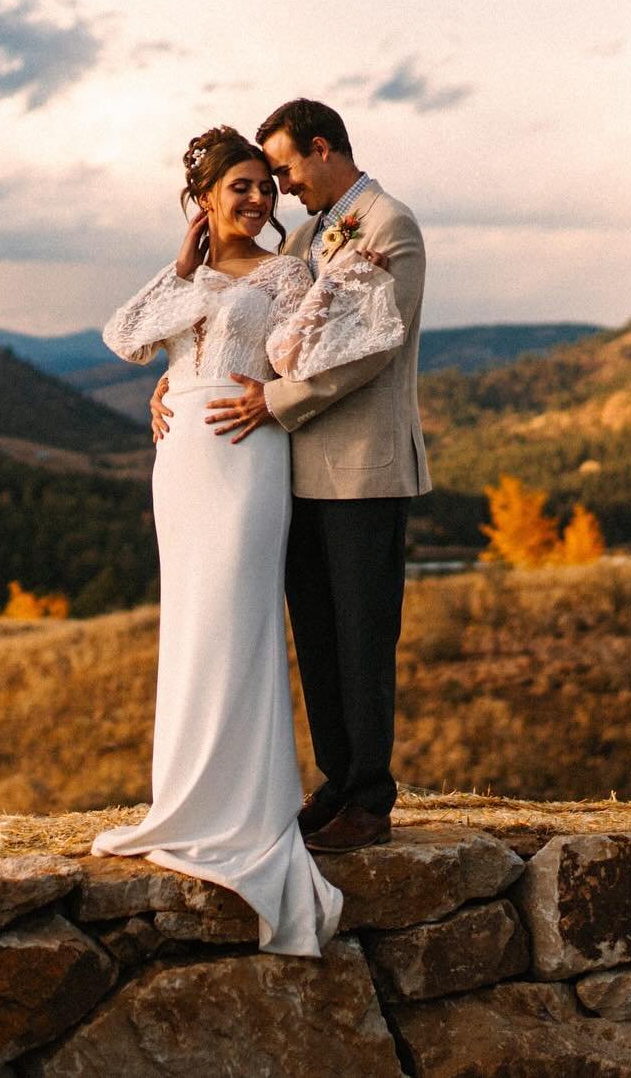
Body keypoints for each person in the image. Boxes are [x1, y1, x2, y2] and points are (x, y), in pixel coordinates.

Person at [91, 125, 404, 957]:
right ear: (204, 200)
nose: (261, 199)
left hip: (247, 450)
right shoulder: (187, 273)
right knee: (193, 626)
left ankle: (249, 813)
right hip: (182, 459)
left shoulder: (288, 269)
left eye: (267, 185)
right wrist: (182, 272)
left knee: (241, 622)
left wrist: (276, 380)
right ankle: (186, 803)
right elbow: (128, 335)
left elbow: (310, 347)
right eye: (242, 188)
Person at [155, 99, 429, 855]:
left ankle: (371, 799)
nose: (278, 188)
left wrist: (272, 401)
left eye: (282, 170)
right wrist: (184, 376)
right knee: (318, 636)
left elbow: (369, 350)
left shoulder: (389, 227)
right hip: (296, 469)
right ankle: (338, 783)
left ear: (320, 149)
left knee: (363, 636)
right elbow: (272, 332)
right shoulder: (310, 235)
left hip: (363, 467)